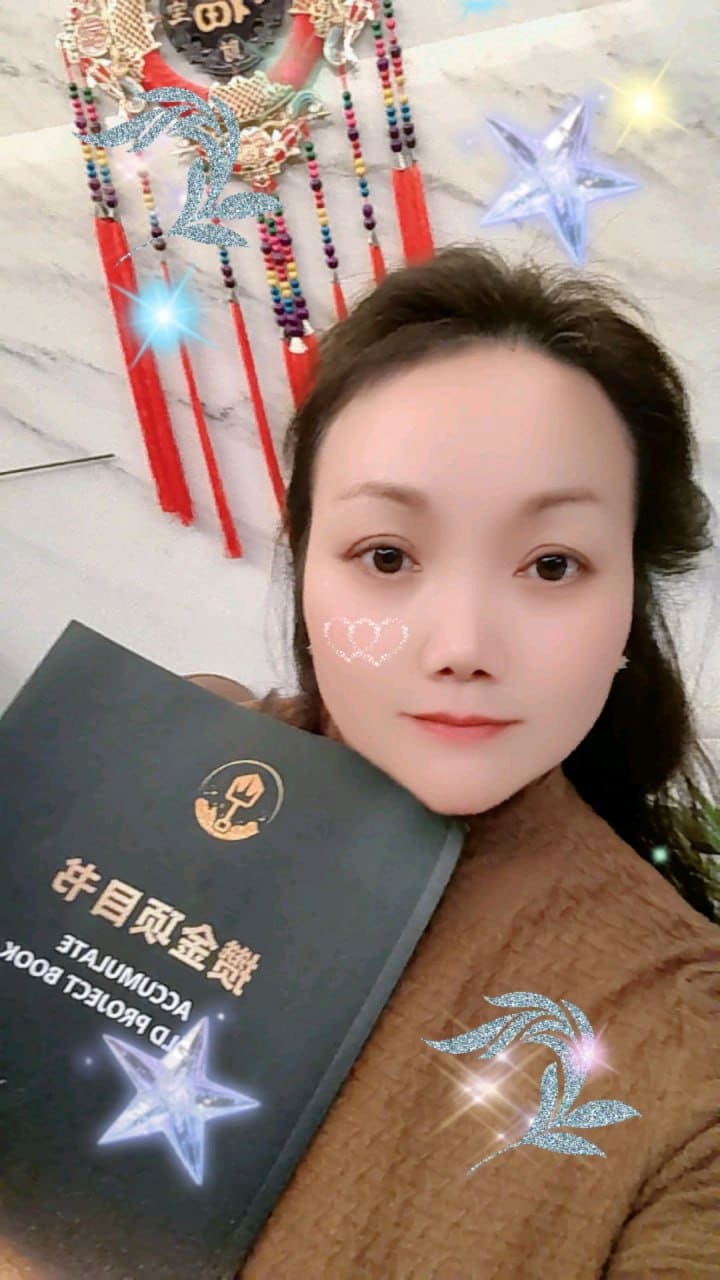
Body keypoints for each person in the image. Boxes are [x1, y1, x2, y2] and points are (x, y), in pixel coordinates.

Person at [189, 244, 720, 1277]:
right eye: (387, 555)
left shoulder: (685, 1046)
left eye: (552, 564)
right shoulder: (130, 782)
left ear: (631, 601)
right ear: (306, 565)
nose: (463, 645)